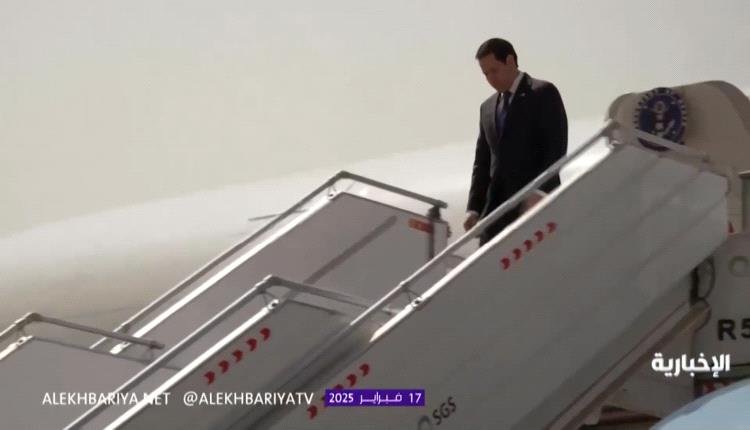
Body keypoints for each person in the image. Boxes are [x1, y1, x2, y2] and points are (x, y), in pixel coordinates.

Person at [464, 38, 568, 245]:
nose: (490, 78)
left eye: (494, 70)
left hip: (534, 206)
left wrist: (540, 191)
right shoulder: (487, 108)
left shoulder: (542, 93)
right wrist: (473, 208)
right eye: (485, 74)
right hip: (495, 214)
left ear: (510, 61)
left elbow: (555, 148)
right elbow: (482, 163)